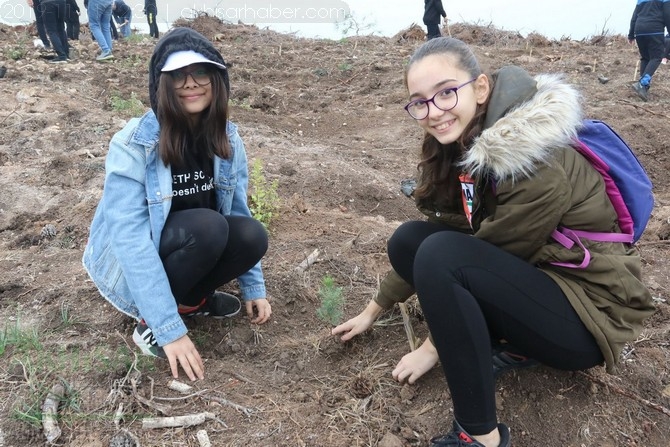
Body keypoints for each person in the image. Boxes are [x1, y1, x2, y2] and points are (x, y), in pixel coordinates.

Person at [332, 37, 655, 447]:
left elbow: (488, 250)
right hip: (544, 285)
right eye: (420, 101)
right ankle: (519, 344)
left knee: (440, 255)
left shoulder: (536, 159)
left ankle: (479, 435)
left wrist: (433, 348)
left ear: (481, 88)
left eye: (446, 92)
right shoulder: (478, 139)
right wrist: (375, 307)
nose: (433, 111)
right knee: (410, 241)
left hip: (586, 320)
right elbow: (463, 229)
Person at [82, 27, 272, 381]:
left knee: (250, 235)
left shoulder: (226, 137)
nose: (190, 83)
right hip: (137, 264)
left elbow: (238, 210)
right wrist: (168, 328)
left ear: (217, 79)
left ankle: (191, 302)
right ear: (161, 84)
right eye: (177, 75)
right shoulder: (133, 144)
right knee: (209, 228)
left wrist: (253, 287)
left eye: (200, 72)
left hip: (192, 242)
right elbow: (131, 240)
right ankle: (148, 321)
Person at [628, 0, 670, 101]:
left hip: (639, 30)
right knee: (656, 57)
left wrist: (631, 34)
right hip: (654, 30)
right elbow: (667, 14)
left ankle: (643, 89)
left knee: (645, 58)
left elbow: (634, 16)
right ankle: (642, 83)